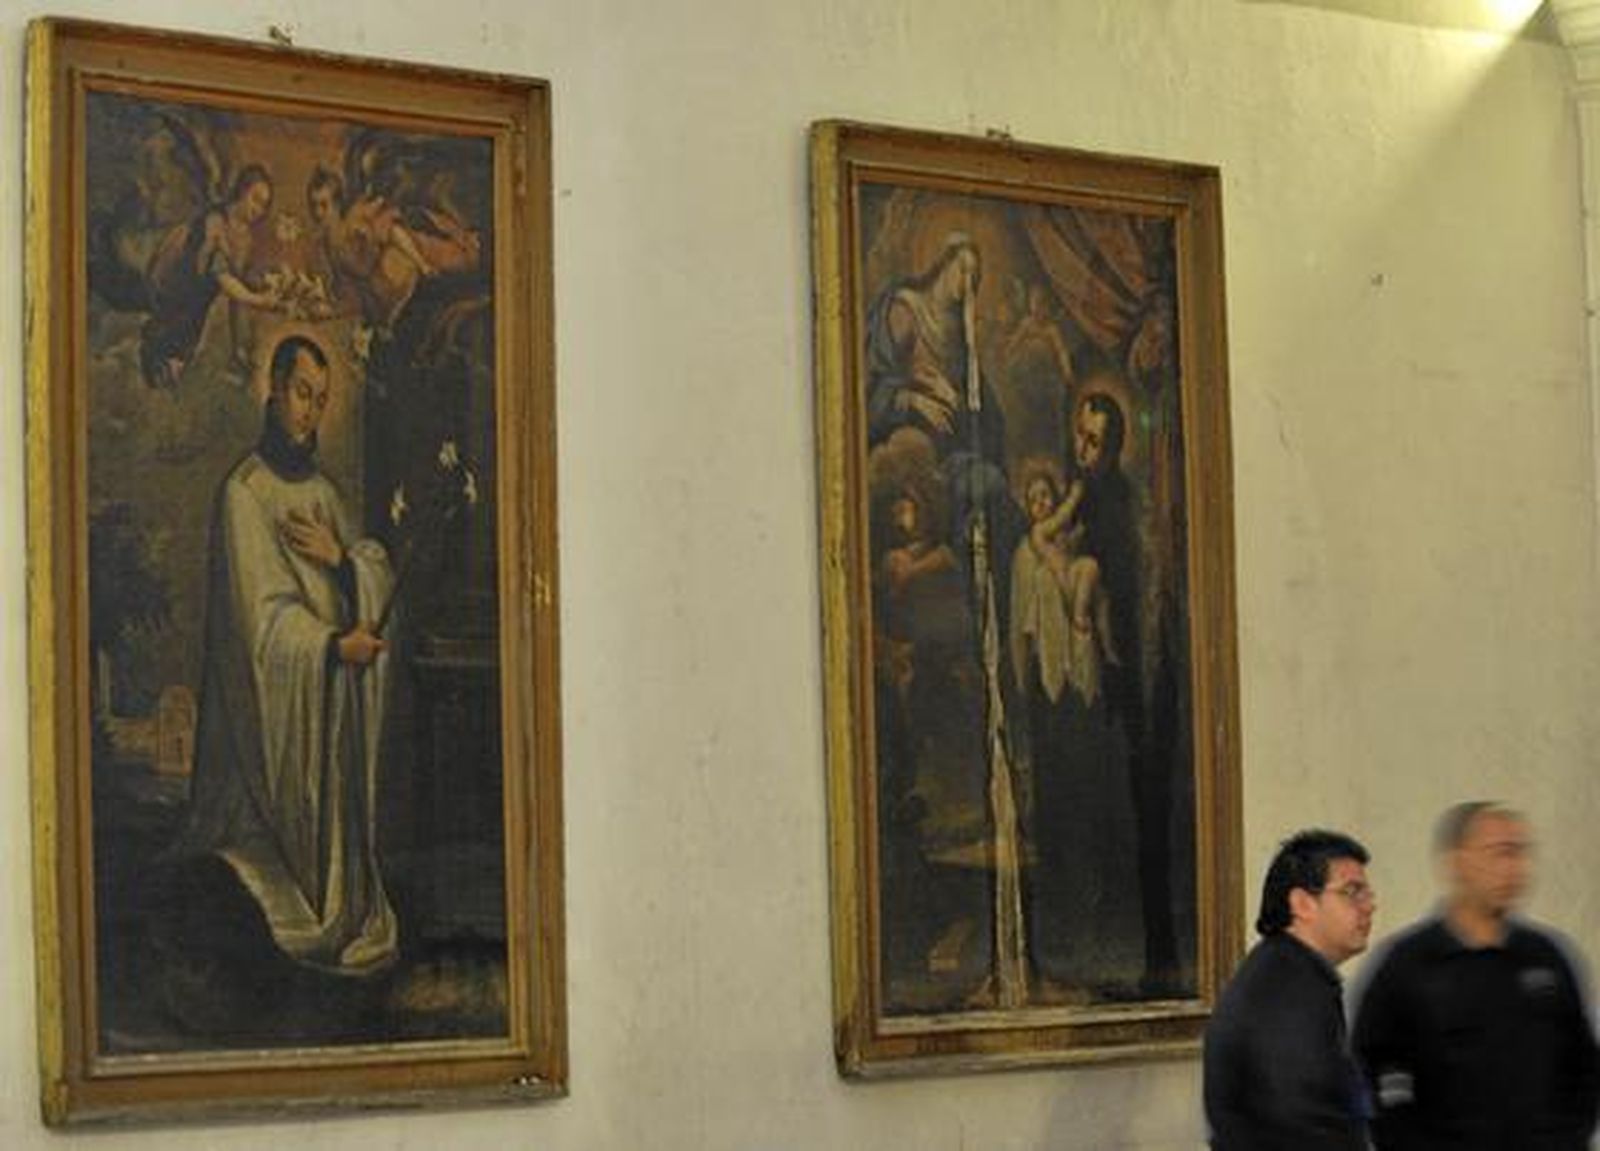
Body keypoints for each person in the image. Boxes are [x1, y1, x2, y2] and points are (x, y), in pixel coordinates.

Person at [180, 333, 399, 975]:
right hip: (266, 732)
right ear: (272, 390)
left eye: (322, 399)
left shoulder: (326, 495)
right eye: (302, 393)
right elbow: (262, 628)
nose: (311, 410)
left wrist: (346, 564)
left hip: (328, 715)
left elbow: (367, 571)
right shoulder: (244, 494)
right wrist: (334, 647)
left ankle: (341, 902)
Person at [1351, 802, 1599, 1150]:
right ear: (1458, 862)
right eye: (1501, 853)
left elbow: (1583, 1068)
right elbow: (1375, 1078)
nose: (1514, 868)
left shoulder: (1546, 958)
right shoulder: (1407, 967)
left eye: (1521, 853)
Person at [1204, 828, 1376, 1150]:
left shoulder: (1291, 973)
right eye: (1352, 892)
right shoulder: (1284, 994)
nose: (1369, 905)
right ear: (1302, 904)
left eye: (1367, 893)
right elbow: (1303, 1122)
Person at [139, 164, 284, 388]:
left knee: (185, 346)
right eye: (255, 199)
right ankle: (156, 365)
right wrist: (259, 300)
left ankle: (166, 373)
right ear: (242, 191)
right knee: (170, 338)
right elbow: (223, 279)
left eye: (264, 205)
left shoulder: (245, 240)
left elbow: (235, 294)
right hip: (178, 286)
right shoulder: (215, 221)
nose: (259, 210)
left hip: (198, 302)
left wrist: (236, 348)